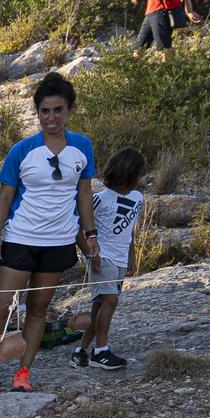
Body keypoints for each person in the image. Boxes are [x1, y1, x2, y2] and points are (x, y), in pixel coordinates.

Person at [0, 73, 101, 398]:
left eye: (58, 110)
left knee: (39, 310)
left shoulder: (82, 147)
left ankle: (23, 372)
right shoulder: (22, 150)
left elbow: (83, 196)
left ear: (69, 110)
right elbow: (4, 197)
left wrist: (90, 234)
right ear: (37, 112)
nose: (51, 117)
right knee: (0, 308)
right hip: (20, 239)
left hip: (58, 243)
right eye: (45, 111)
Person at [72, 146, 148, 372]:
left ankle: (80, 350)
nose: (140, 179)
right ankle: (101, 351)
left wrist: (132, 255)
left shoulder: (138, 198)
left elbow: (130, 229)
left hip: (120, 259)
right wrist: (89, 253)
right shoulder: (99, 199)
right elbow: (78, 227)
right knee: (110, 301)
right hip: (102, 257)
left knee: (99, 306)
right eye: (138, 175)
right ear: (127, 174)